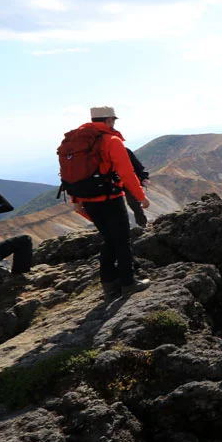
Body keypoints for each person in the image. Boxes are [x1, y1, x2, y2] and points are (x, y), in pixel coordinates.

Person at [60, 106, 150, 298]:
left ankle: (109, 284)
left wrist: (77, 199)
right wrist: (141, 197)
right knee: (122, 241)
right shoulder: (111, 140)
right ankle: (128, 283)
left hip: (88, 199)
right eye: (113, 120)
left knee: (109, 239)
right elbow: (126, 172)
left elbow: (72, 174)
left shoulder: (77, 143)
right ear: (109, 121)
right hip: (110, 198)